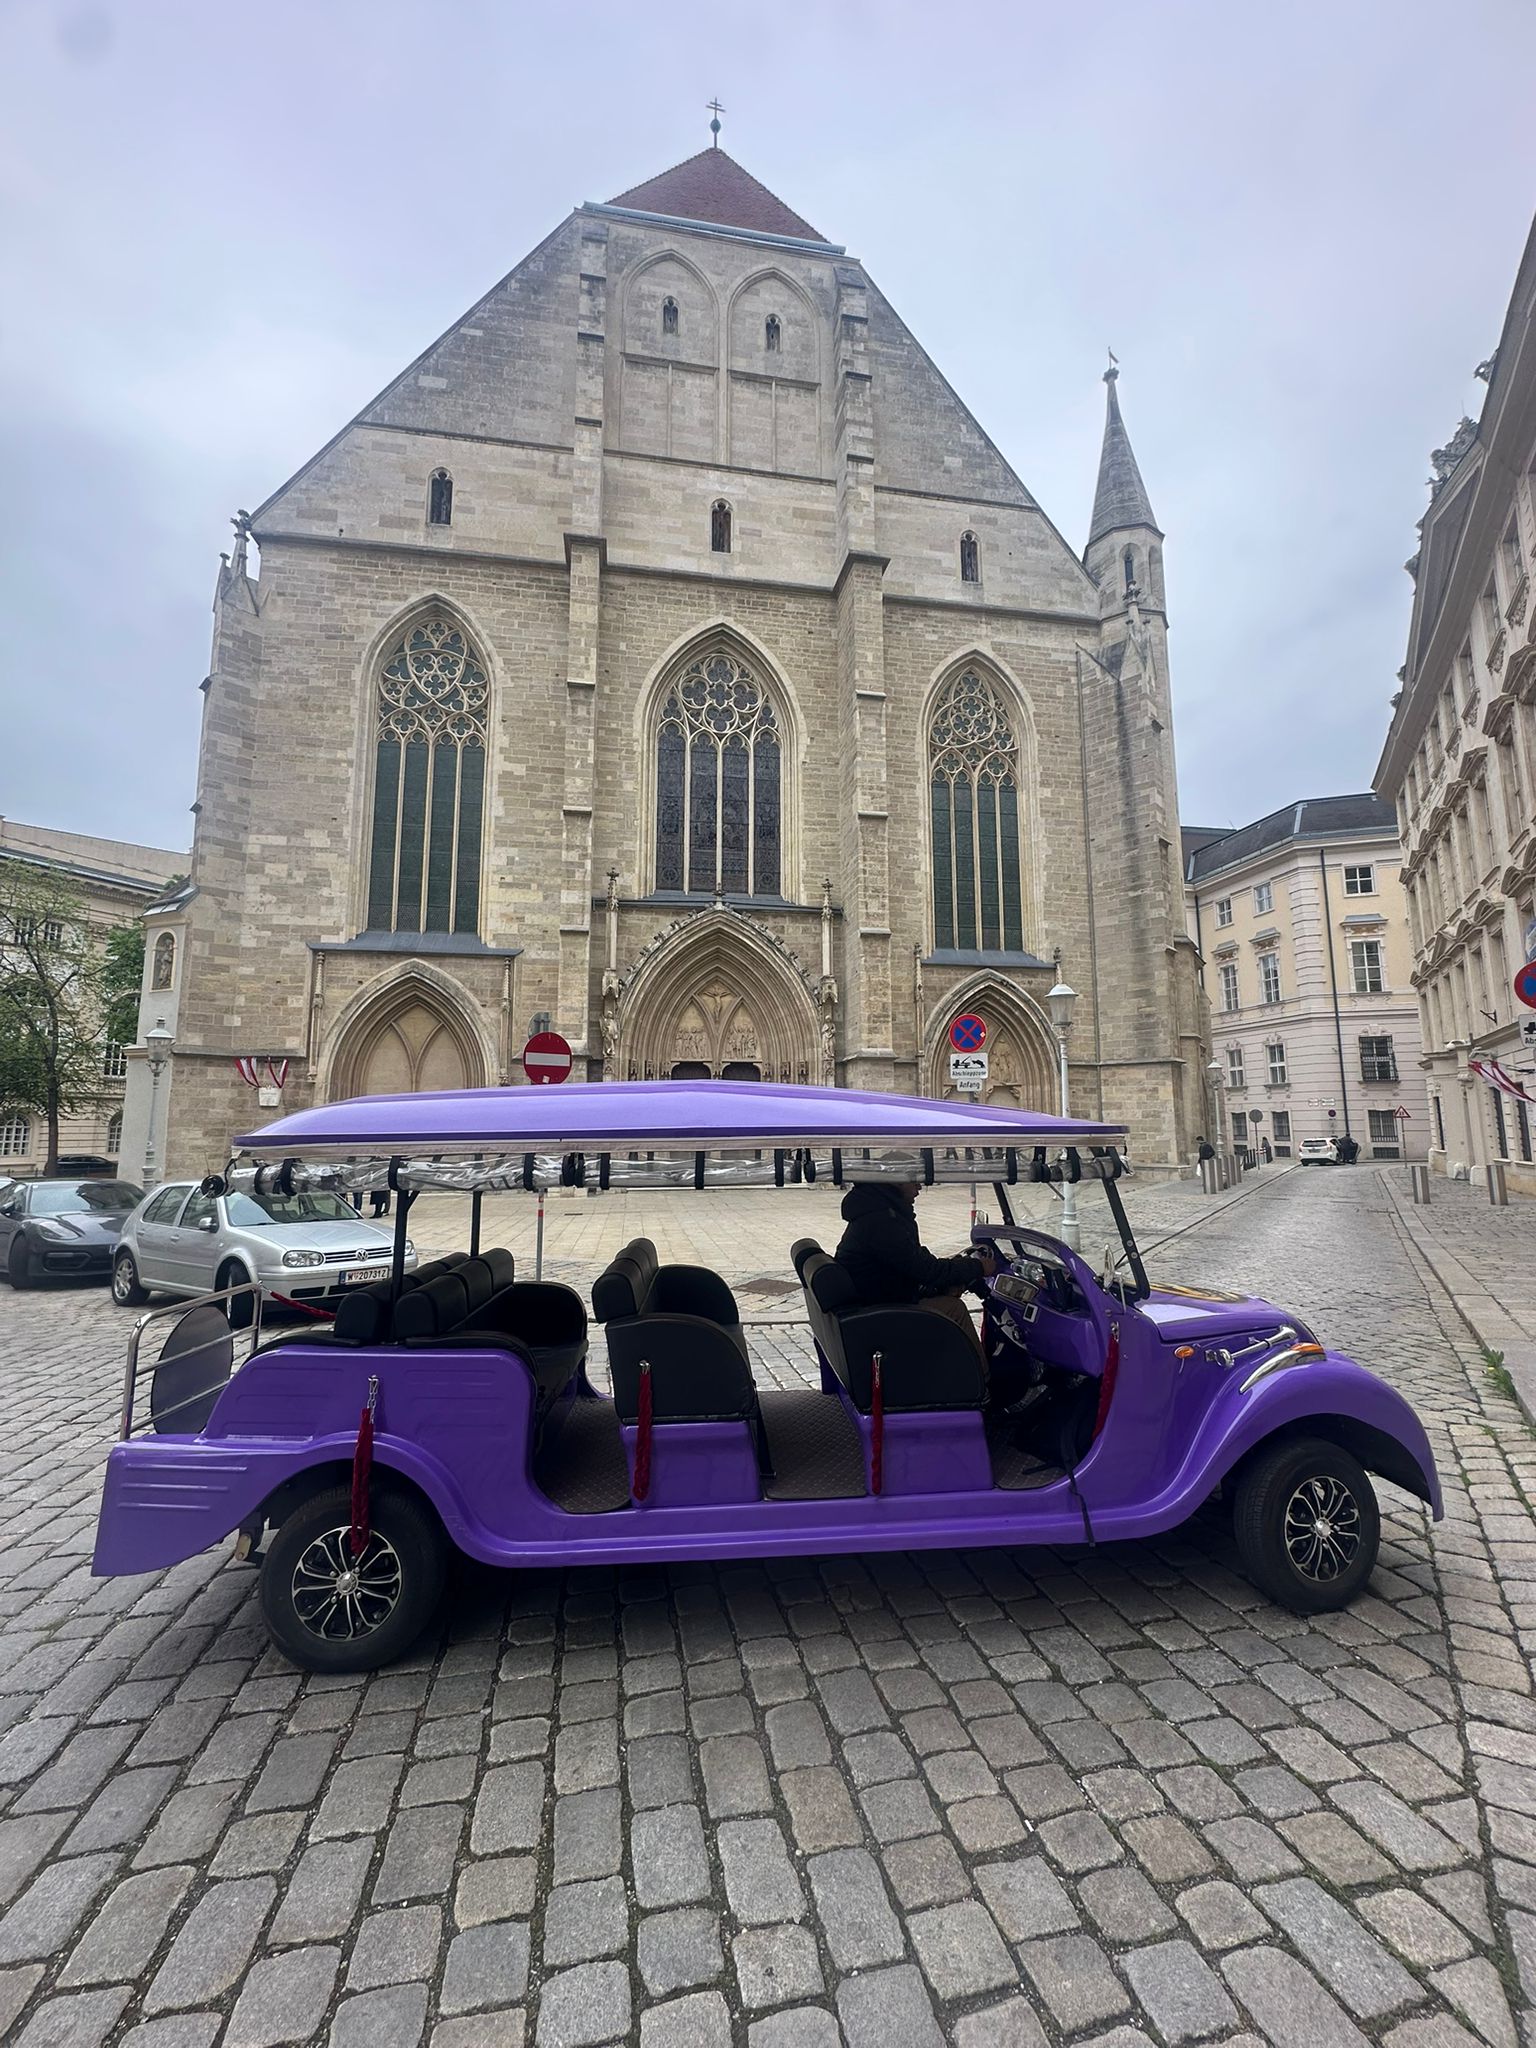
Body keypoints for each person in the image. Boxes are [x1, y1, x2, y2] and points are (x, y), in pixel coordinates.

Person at [834, 1178, 997, 1354]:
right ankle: (983, 1378)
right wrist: (978, 1267)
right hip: (879, 1312)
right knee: (954, 1309)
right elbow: (926, 1269)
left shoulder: (877, 1212)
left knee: (947, 1298)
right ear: (897, 1181)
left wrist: (935, 1288)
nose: (919, 1187)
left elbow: (907, 1265)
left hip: (879, 1301)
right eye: (915, 1181)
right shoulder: (881, 1222)